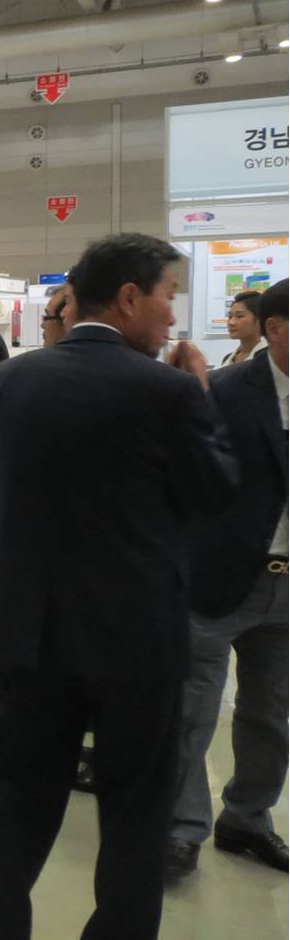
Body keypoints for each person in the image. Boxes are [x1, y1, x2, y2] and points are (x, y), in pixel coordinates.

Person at [0, 233, 237, 940]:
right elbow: (216, 493)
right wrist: (200, 393)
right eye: (166, 297)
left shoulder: (7, 382)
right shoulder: (167, 392)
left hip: (30, 639)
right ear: (128, 297)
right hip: (140, 646)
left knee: (15, 812)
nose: (172, 317)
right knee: (133, 820)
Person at [166, 278, 289, 880]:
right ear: (277, 329)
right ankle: (178, 829)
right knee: (192, 711)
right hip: (220, 580)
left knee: (270, 714)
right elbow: (185, 480)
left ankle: (247, 818)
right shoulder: (228, 391)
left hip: (286, 589)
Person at [220, 290, 267, 367]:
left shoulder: (270, 359)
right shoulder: (228, 359)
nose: (231, 322)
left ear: (259, 319)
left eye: (240, 316)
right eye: (230, 317)